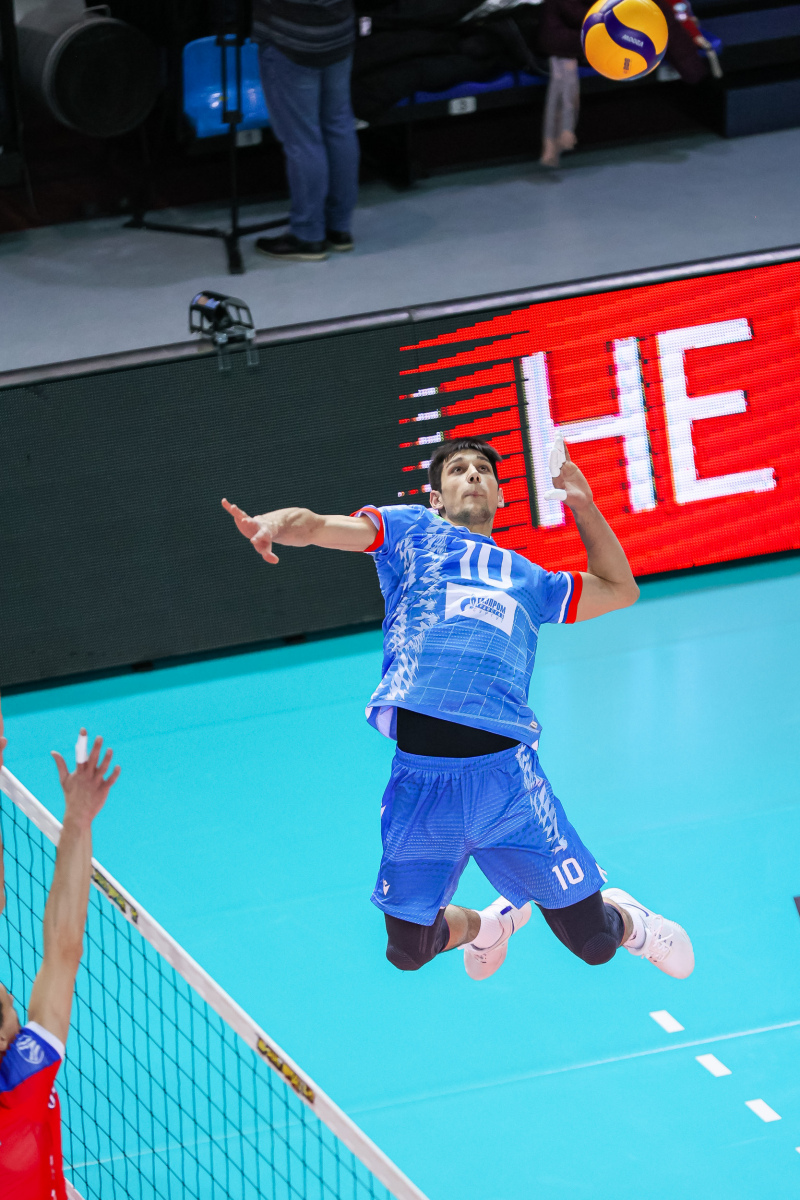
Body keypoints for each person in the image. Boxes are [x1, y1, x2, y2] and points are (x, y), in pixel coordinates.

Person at [221, 439, 694, 982]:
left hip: (507, 784)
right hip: (422, 782)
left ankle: (636, 925)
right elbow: (314, 525)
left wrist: (583, 505)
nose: (472, 475)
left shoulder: (532, 580)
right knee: (408, 949)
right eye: (457, 469)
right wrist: (271, 524)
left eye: (483, 469)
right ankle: (489, 926)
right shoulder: (410, 534)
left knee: (594, 942)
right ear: (436, 497)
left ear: (499, 494)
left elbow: (619, 588)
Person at [0, 724, 119, 1199]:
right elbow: (64, 947)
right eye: (8, 1004)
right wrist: (79, 818)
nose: (10, 994)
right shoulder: (23, 1081)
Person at [253, 0, 360, 262]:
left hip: (290, 37)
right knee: (339, 127)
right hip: (338, 30)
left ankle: (308, 235)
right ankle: (339, 228)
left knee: (302, 140)